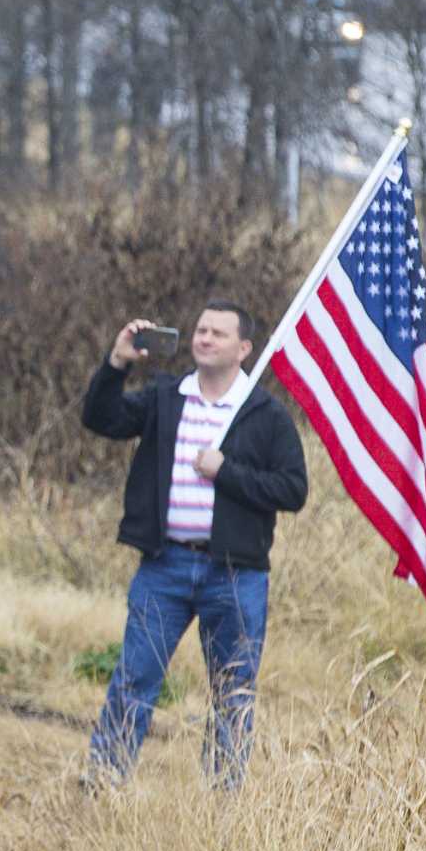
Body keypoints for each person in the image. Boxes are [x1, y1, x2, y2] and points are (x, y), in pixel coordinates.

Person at [82, 304, 307, 789]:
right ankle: (103, 780)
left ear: (243, 348)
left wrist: (226, 472)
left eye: (218, 333)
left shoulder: (263, 413)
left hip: (236, 574)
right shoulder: (168, 397)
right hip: (164, 567)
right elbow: (102, 418)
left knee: (232, 689)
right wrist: (117, 363)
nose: (204, 339)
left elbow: (293, 490)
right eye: (201, 330)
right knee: (135, 677)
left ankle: (222, 798)